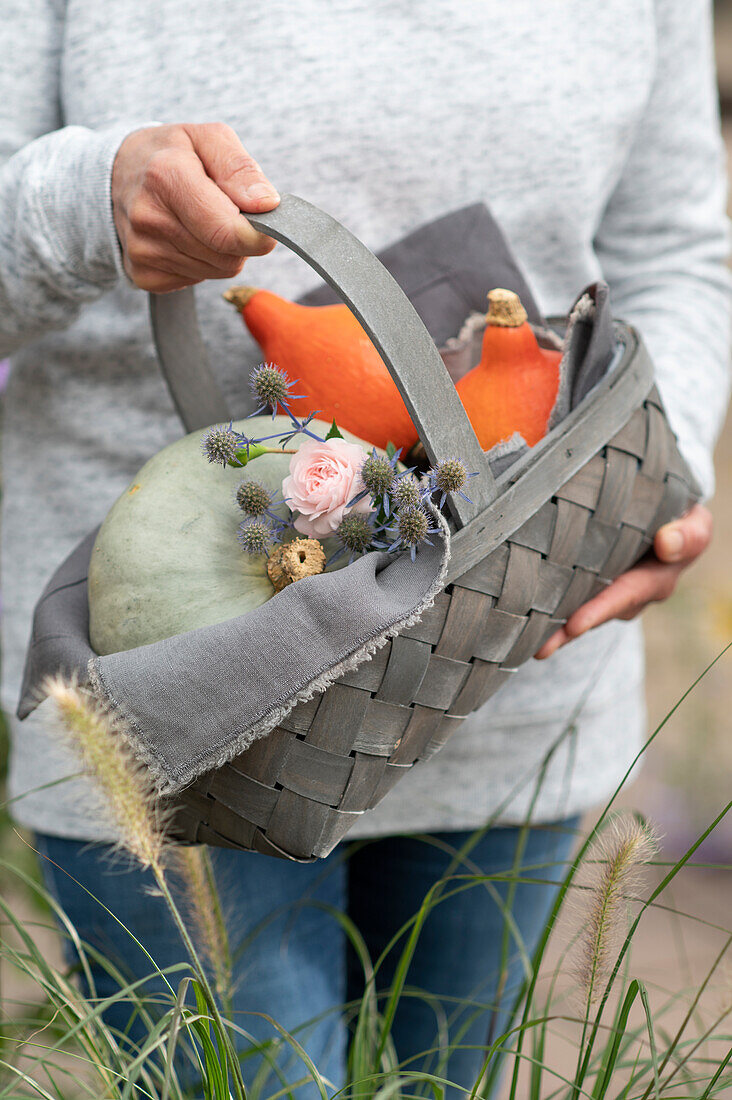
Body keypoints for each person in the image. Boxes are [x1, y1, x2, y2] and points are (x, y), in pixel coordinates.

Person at [1, 1, 729, 1094]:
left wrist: (657, 471)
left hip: (503, 681)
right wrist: (79, 200)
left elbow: (673, 246)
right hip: (175, 728)